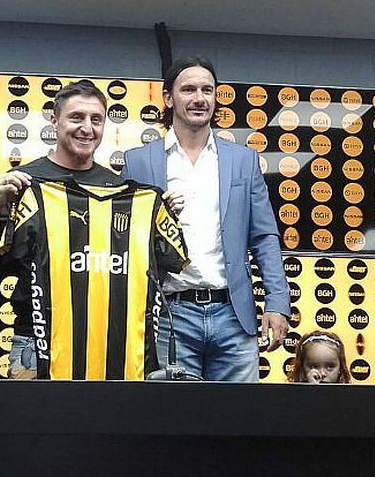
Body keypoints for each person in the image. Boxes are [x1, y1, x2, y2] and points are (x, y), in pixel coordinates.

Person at [0, 80, 186, 379]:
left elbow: (157, 268)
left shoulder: (121, 189)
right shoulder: (24, 183)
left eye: (96, 119)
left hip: (113, 347)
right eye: (76, 117)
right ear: (54, 120)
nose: (87, 128)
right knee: (36, 413)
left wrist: (160, 219)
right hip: (38, 345)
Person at [120, 56, 290, 382]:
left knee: (239, 413)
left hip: (233, 314)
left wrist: (277, 302)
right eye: (188, 90)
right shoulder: (137, 162)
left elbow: (264, 237)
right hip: (170, 315)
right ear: (168, 98)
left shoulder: (243, 160)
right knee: (175, 413)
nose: (199, 98)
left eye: (207, 90)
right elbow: (125, 241)